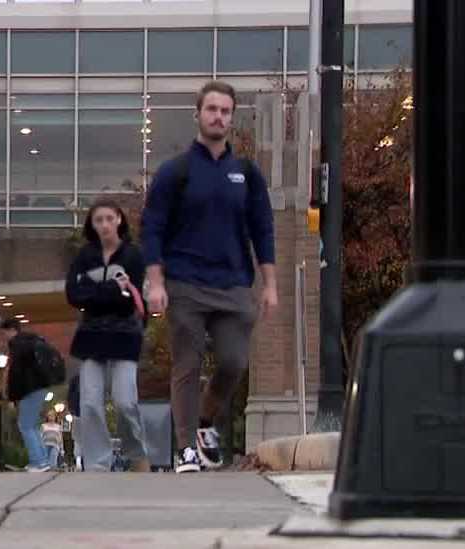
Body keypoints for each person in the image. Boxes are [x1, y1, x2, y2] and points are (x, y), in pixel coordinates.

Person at [140, 80, 276, 473]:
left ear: (232, 117)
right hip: (185, 283)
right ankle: (185, 448)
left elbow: (263, 228)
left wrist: (269, 284)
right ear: (198, 114)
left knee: (234, 362)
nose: (218, 116)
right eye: (212, 109)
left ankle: (202, 421)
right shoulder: (176, 172)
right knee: (187, 364)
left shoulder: (245, 173)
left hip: (234, 284)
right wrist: (157, 282)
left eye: (225, 111)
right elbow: (153, 227)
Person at [66, 199, 150, 473]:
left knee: (126, 401)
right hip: (91, 337)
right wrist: (112, 289)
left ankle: (136, 454)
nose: (104, 224)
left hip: (124, 336)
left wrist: (94, 291)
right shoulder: (84, 256)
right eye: (98, 220)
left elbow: (130, 301)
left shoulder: (133, 256)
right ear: (92, 224)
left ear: (119, 221)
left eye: (108, 218)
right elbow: (73, 294)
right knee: (90, 402)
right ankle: (97, 464)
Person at [1, 318, 65, 473]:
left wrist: (11, 395)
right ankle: (41, 460)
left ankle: (39, 461)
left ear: (11, 330)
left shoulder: (18, 344)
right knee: (32, 425)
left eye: (4, 333)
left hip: (28, 389)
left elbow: (17, 372)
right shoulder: (35, 341)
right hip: (41, 387)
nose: (4, 337)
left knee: (26, 425)